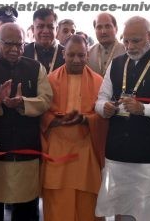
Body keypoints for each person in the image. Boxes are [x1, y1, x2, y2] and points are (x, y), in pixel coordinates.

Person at [95, 16, 150, 221]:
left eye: (135, 40)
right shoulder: (117, 64)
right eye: (126, 40)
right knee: (121, 207)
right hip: (119, 153)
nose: (129, 46)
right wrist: (105, 108)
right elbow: (100, 99)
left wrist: (145, 109)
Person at [0, 23, 52, 221]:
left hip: (26, 150)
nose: (15, 49)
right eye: (9, 44)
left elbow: (46, 100)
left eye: (20, 44)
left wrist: (22, 102)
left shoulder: (35, 68)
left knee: (27, 209)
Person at [40, 35, 107, 221]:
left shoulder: (98, 81)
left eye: (81, 55)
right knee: (57, 202)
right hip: (57, 150)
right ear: (63, 54)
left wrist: (86, 120)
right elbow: (41, 112)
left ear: (87, 55)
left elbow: (103, 116)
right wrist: (55, 120)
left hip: (86, 150)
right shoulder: (50, 80)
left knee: (87, 203)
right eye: (71, 55)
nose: (76, 60)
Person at [23, 8, 64, 74]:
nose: (45, 31)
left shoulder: (66, 55)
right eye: (40, 26)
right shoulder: (23, 53)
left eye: (50, 27)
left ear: (56, 29)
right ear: (33, 29)